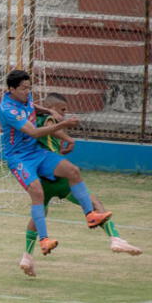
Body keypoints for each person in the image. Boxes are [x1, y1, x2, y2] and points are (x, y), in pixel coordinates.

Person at [19, 93, 142, 277]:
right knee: (94, 203)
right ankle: (115, 238)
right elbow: (51, 127)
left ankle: (27, 257)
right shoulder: (49, 118)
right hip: (59, 179)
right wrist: (69, 138)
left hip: (42, 180)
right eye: (63, 110)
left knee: (39, 216)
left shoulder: (32, 119)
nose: (64, 114)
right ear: (51, 106)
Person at [0, 69, 111, 257]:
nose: (28, 91)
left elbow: (31, 105)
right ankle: (44, 240)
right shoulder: (8, 110)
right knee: (37, 192)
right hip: (19, 158)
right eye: (24, 89)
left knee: (72, 171)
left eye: (29, 87)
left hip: (36, 152)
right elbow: (34, 132)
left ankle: (90, 215)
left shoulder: (25, 96)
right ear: (11, 89)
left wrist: (49, 110)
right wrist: (63, 125)